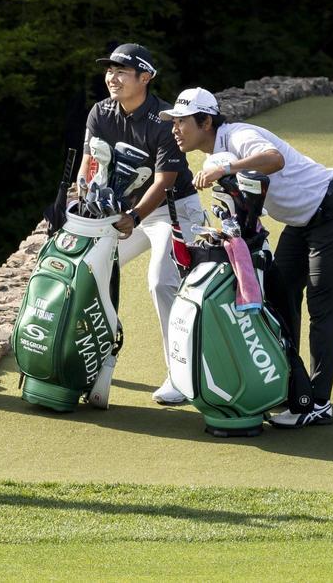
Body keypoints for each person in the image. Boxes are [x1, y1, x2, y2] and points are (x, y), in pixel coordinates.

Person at [162, 87, 333, 428]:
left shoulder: (240, 135)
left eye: (182, 121)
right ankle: (291, 388)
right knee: (277, 294)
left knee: (323, 307)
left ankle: (317, 402)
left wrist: (228, 165)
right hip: (302, 221)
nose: (175, 129)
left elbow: (274, 159)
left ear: (206, 121)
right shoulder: (215, 154)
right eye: (174, 122)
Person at [79, 43, 205, 405]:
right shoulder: (100, 112)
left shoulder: (165, 119)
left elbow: (164, 181)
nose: (112, 78)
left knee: (161, 281)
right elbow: (89, 164)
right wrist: (85, 196)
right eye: (109, 71)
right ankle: (88, 362)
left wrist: (133, 218)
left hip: (172, 210)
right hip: (123, 213)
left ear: (145, 77)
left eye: (121, 71)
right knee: (89, 270)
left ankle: (180, 377)